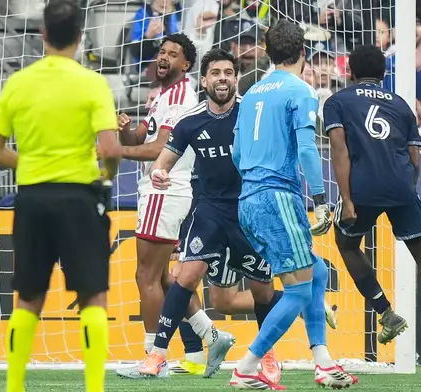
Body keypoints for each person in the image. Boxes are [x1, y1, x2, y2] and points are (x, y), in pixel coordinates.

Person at [0, 1, 122, 391]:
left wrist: (28, 163)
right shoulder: (92, 82)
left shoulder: (18, 83)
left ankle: (14, 386)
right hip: (80, 197)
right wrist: (105, 177)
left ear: (42, 34)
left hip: (31, 198)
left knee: (28, 297)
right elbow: (110, 150)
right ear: (80, 36)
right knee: (93, 296)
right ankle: (94, 387)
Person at [323, 44, 421, 368]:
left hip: (363, 187)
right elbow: (414, 157)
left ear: (350, 72)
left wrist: (348, 199)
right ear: (384, 74)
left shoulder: (337, 101)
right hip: (401, 186)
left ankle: (386, 313)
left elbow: (340, 150)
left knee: (348, 245)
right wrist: (408, 190)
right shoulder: (401, 104)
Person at [141, 47, 284, 381]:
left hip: (250, 211)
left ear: (236, 79)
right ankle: (157, 355)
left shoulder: (253, 114)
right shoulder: (190, 122)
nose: (223, 79)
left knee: (262, 292)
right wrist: (159, 174)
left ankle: (268, 356)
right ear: (204, 80)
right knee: (184, 277)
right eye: (216, 73)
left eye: (229, 73)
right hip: (209, 212)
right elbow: (162, 164)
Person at [230, 20, 358, 390]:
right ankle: (247, 368)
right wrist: (319, 201)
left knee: (315, 273)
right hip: (278, 197)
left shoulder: (252, 91)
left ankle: (323, 362)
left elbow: (237, 154)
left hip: (249, 199)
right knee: (299, 289)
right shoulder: (299, 90)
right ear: (303, 53)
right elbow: (305, 149)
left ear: (268, 52)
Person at [116, 34, 232, 379]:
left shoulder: (182, 96)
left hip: (165, 190)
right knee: (168, 279)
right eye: (162, 51)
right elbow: (143, 140)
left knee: (146, 275)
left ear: (186, 65)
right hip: (163, 191)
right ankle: (212, 335)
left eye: (173, 54)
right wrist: (126, 133)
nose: (164, 56)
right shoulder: (162, 95)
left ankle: (154, 357)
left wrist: (113, 151)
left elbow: (159, 150)